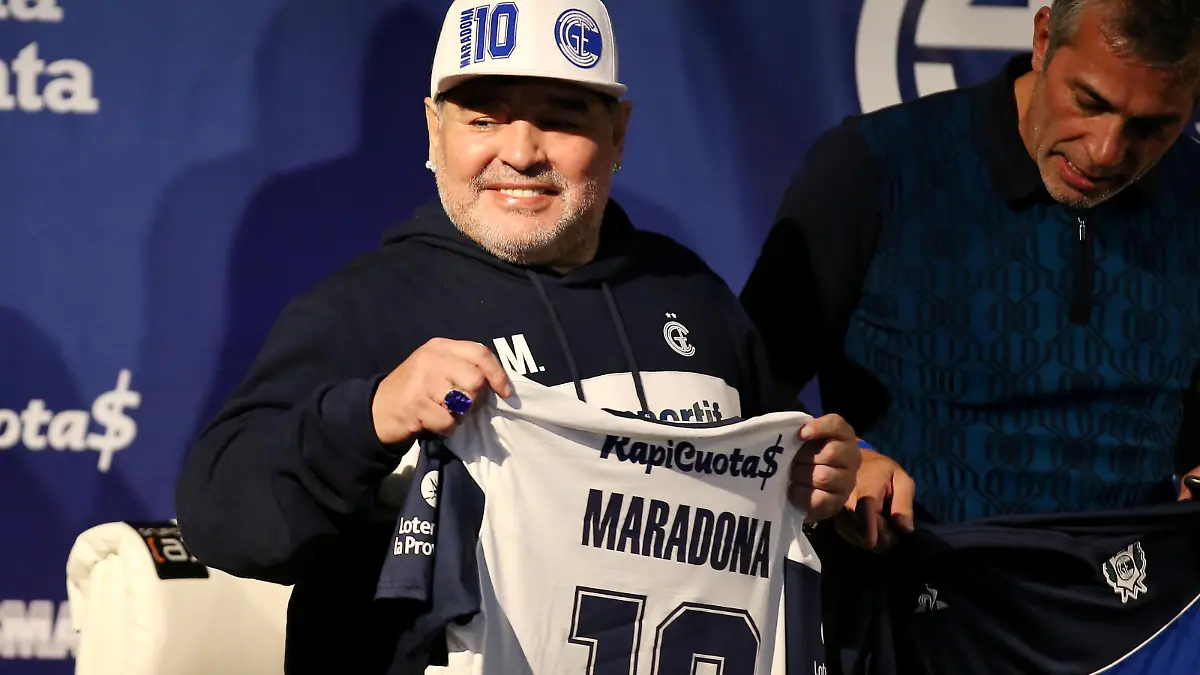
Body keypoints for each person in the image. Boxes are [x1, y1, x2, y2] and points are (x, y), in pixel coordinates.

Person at [174, 0, 861, 672]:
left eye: (562, 121)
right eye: (483, 120)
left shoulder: (693, 296)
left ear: (619, 134)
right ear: (434, 130)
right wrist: (373, 414)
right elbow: (221, 520)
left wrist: (829, 478)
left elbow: (787, 469)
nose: (522, 153)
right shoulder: (367, 306)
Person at [741, 1, 1200, 673]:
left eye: (1152, 126)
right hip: (912, 622)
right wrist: (845, 462)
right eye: (1090, 101)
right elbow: (741, 384)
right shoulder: (877, 165)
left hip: (1138, 634)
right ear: (1045, 40)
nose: (1107, 151)